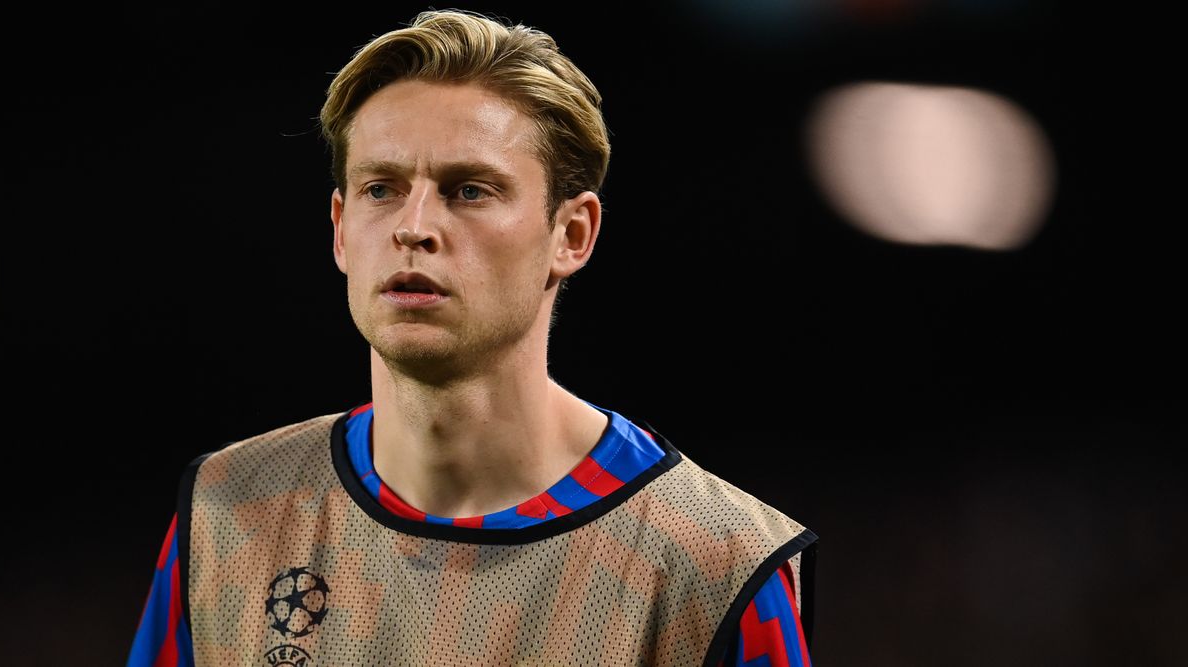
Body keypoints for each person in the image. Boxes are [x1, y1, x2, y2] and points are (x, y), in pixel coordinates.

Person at [126, 8, 817, 666]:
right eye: (381, 188)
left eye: (469, 190)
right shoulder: (226, 512)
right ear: (339, 227)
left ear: (571, 234)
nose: (414, 225)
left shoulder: (715, 563)